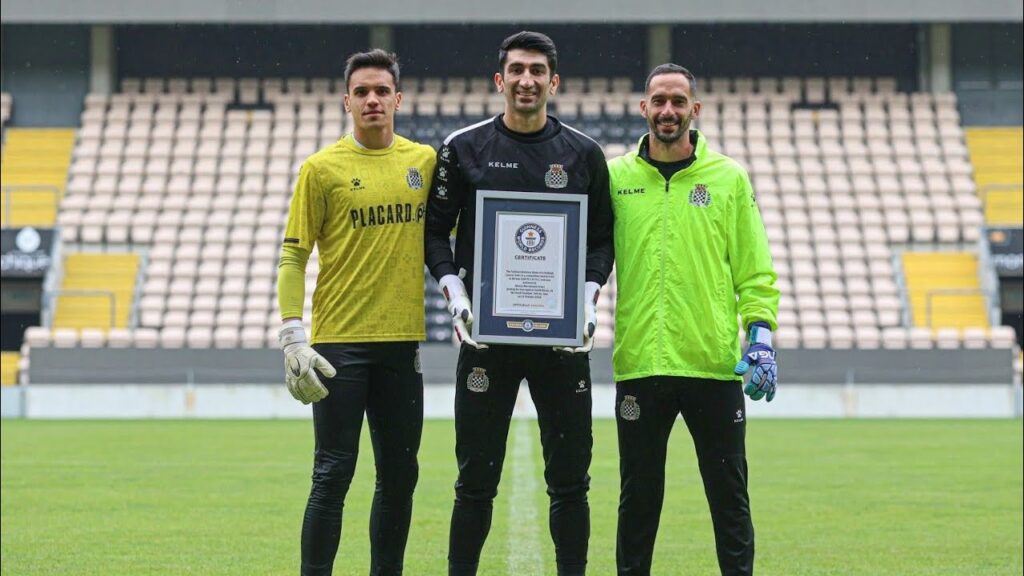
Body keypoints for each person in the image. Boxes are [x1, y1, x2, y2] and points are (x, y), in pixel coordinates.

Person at [423, 30, 614, 576]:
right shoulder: (463, 149)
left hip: (559, 345)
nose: (526, 80)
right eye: (516, 70)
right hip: (487, 339)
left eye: (537, 71)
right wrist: (455, 291)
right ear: (499, 80)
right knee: (474, 483)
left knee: (571, 483)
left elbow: (600, 239)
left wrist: (586, 295)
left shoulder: (583, 154)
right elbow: (435, 233)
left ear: (554, 82)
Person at [606, 63, 780, 576]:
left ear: (694, 110)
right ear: (643, 108)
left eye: (678, 101)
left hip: (712, 365)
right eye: (658, 101)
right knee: (637, 501)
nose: (667, 111)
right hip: (641, 364)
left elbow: (755, 269)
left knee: (729, 499)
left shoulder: (728, 178)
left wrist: (761, 335)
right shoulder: (616, 178)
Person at [276, 49, 436, 576]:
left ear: (398, 98)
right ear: (347, 101)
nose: (372, 100)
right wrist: (293, 333)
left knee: (398, 476)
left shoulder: (424, 162)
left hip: (402, 343)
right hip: (339, 346)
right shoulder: (321, 170)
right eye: (362, 92)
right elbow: (294, 254)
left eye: (382, 91)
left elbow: (454, 237)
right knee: (332, 474)